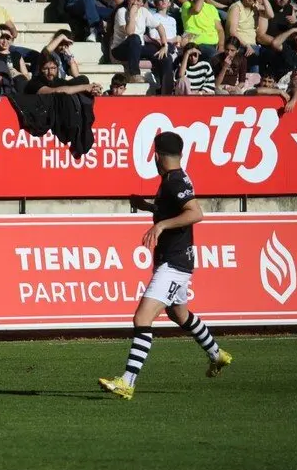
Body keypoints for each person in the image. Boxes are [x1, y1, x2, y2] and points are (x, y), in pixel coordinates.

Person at [99, 131, 232, 401]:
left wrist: (159, 225)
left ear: (156, 155)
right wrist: (149, 207)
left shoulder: (174, 181)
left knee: (142, 318)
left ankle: (127, 382)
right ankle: (217, 355)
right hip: (176, 260)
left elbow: (195, 213)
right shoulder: (173, 179)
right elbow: (175, 209)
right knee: (179, 315)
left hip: (175, 262)